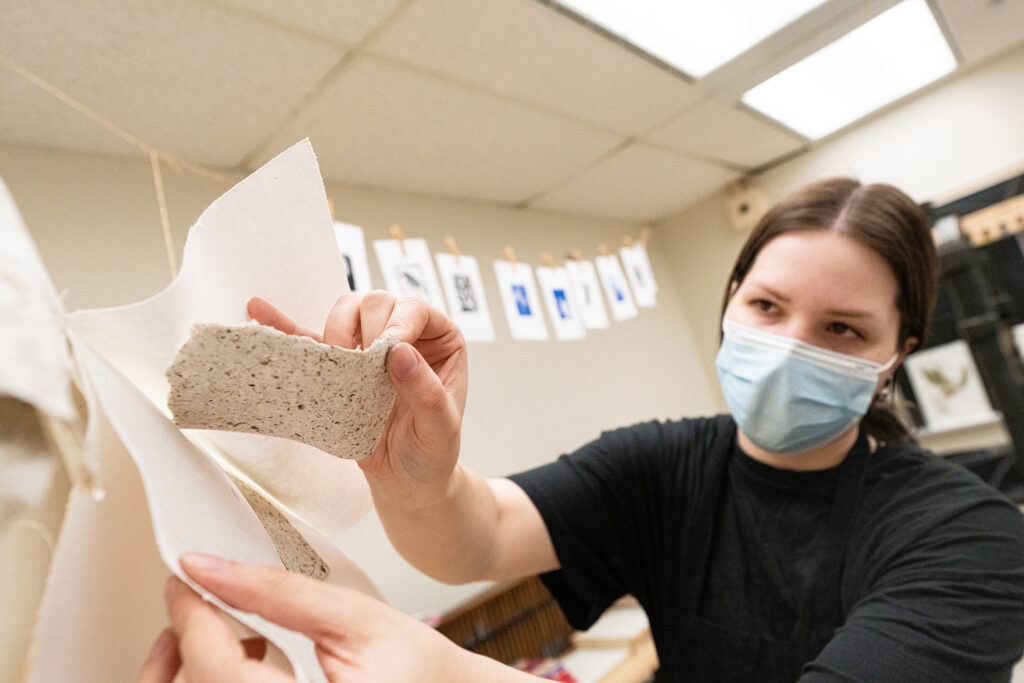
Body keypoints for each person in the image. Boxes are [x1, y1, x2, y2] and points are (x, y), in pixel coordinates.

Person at [140, 178, 1024, 682]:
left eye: (842, 330)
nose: (791, 347)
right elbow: (477, 536)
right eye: (767, 305)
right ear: (730, 305)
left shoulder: (971, 535)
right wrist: (416, 471)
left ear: (896, 352)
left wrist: (449, 676)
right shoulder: (664, 464)